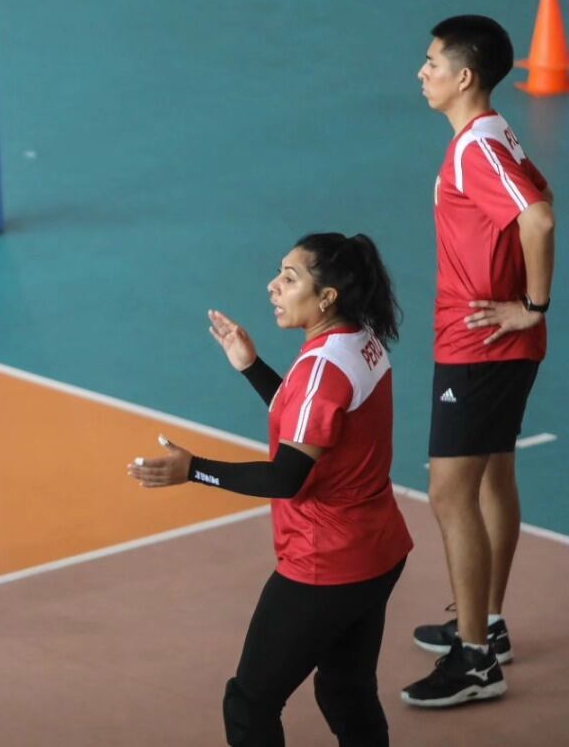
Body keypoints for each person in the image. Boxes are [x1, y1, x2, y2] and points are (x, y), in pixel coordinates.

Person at [128, 233, 412, 747]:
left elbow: (285, 477)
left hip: (326, 564)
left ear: (327, 296)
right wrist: (250, 366)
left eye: (290, 277)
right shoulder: (360, 343)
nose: (273, 286)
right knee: (346, 689)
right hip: (378, 550)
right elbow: (312, 420)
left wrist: (194, 469)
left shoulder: (323, 368)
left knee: (250, 703)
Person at [402, 15, 555, 707]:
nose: (421, 71)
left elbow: (538, 217)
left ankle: (472, 662)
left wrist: (532, 304)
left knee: (448, 493)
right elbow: (538, 200)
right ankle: (486, 626)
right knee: (492, 474)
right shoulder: (488, 137)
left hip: (479, 345)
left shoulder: (474, 146)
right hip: (488, 345)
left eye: (432, 61)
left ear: (463, 76)